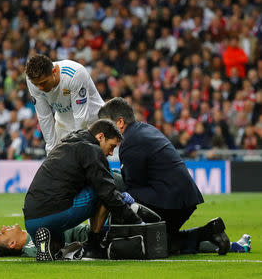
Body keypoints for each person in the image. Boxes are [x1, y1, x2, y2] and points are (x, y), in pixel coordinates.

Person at [98, 97, 230, 255]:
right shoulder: (145, 129)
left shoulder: (130, 142)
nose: (103, 131)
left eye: (106, 124)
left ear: (119, 122)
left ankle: (103, 238)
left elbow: (132, 188)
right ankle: (210, 231)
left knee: (115, 190)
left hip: (168, 200)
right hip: (182, 198)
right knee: (166, 242)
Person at [22, 119, 142, 261]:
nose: (111, 153)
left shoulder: (64, 145)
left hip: (31, 220)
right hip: (55, 214)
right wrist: (136, 221)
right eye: (111, 146)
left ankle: (50, 245)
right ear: (100, 137)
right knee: (105, 191)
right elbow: (108, 193)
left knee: (58, 247)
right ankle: (94, 244)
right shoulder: (92, 150)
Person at [0, 224, 251, 257]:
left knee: (169, 241)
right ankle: (233, 245)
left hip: (100, 232)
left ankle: (222, 241)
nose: (3, 227)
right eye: (2, 233)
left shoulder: (31, 238)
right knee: (166, 241)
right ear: (12, 245)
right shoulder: (34, 246)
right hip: (102, 235)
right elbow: (36, 251)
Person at [25, 54, 104, 153]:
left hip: (93, 122)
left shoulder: (74, 74)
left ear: (54, 71)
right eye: (36, 84)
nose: (40, 88)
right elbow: (44, 116)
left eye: (43, 83)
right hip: (64, 125)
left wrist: (79, 147)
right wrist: (50, 148)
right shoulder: (32, 81)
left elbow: (80, 117)